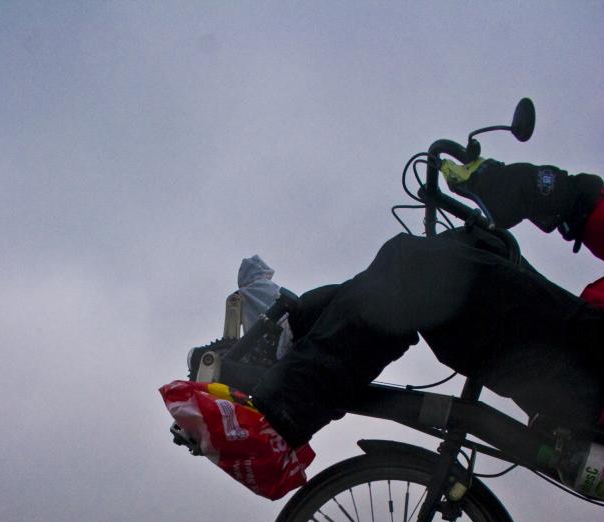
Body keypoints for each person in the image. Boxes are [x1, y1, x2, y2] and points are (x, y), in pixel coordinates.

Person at [251, 158, 604, 447]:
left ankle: (280, 416)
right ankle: (287, 334)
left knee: (419, 267)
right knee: (480, 243)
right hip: (582, 368)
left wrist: (527, 185)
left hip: (590, 377)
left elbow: (586, 207)